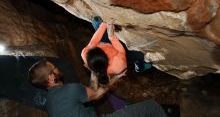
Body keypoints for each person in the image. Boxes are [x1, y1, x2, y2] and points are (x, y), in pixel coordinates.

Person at [28, 59, 168, 117]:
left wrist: (93, 72)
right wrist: (117, 77)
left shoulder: (50, 102)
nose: (57, 67)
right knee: (151, 106)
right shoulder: (69, 89)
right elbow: (97, 94)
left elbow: (89, 93)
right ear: (51, 78)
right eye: (54, 67)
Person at [81, 16, 152, 88]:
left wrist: (104, 24)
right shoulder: (118, 66)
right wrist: (111, 36)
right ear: (106, 57)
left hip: (106, 44)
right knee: (140, 54)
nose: (92, 47)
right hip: (120, 52)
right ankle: (139, 67)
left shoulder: (86, 54)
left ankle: (99, 26)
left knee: (98, 24)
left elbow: (93, 42)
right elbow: (121, 51)